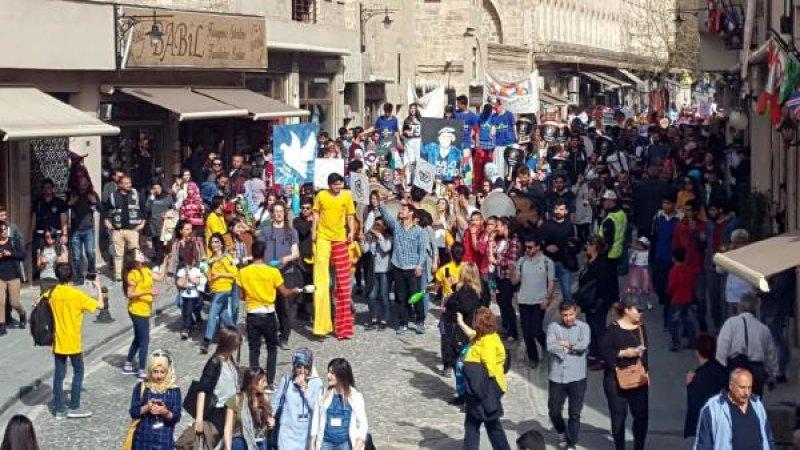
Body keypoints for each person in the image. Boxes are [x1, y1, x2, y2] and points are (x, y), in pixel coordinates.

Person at [237, 240, 302, 388]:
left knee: (254, 349)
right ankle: (270, 381)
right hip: (268, 315)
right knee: (272, 348)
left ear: (252, 253)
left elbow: (241, 296)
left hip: (252, 315)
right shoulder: (273, 272)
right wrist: (295, 290)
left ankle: (254, 380)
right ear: (264, 253)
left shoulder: (243, 272)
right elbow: (284, 292)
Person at [49, 262, 103, 419]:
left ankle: (59, 409)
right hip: (73, 341)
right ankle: (74, 406)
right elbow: (100, 305)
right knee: (78, 371)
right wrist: (98, 287)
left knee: (59, 375)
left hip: (58, 341)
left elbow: (38, 301)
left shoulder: (53, 293)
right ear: (71, 275)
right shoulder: (77, 295)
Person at [456, 307, 512, 450]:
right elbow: (473, 335)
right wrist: (461, 322)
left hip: (484, 388)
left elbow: (490, 369)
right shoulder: (485, 336)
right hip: (484, 389)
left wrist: (478, 389)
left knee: (476, 424)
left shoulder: (488, 342)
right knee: (487, 423)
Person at [600, 298, 649, 450]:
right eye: (638, 310)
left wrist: (647, 372)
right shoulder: (612, 330)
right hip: (615, 379)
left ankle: (638, 447)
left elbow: (646, 353)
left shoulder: (641, 328)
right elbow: (604, 352)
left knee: (641, 416)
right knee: (618, 417)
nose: (641, 313)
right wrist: (623, 353)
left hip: (637, 377)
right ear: (627, 310)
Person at [312, 173, 356, 340]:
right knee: (321, 282)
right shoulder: (321, 195)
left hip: (340, 238)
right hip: (323, 237)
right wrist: (313, 231)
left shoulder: (346, 195)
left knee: (344, 284)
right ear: (329, 184)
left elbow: (350, 215)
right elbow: (316, 214)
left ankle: (344, 328)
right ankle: (321, 326)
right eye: (335, 185)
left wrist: (351, 231)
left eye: (340, 184)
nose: (338, 187)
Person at [694, 367, 775, 450]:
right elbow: (703, 445)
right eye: (742, 387)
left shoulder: (757, 405)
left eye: (749, 387)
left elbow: (768, 438)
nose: (746, 392)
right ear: (731, 386)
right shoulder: (713, 408)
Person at [546, 301, 590, 450]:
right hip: (557, 377)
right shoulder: (553, 327)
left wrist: (566, 345)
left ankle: (571, 443)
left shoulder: (584, 327)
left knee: (575, 413)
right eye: (565, 315)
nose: (568, 318)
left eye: (571, 314)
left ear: (576, 312)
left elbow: (583, 345)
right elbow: (551, 346)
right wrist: (570, 349)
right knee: (554, 410)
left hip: (577, 377)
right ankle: (561, 431)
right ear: (560, 314)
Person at [716, 293, 778, 397]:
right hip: (757, 371)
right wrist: (773, 375)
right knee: (754, 403)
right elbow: (771, 355)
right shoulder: (763, 328)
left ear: (740, 308)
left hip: (736, 368)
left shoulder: (731, 323)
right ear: (756, 309)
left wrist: (720, 369)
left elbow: (722, 348)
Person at [379, 201, 427, 334]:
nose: (401, 211)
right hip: (398, 266)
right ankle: (403, 323)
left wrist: (419, 265)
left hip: (413, 268)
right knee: (401, 297)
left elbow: (422, 250)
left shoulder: (419, 231)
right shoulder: (396, 227)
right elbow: (386, 216)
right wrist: (381, 203)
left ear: (411, 213)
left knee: (416, 296)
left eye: (404, 209)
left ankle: (420, 321)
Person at [260, 201, 301, 350]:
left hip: (286, 272)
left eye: (281, 211)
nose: (278, 214)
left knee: (285, 306)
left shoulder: (291, 231)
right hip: (269, 272)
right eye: (276, 211)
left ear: (284, 213)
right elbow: (259, 250)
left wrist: (287, 258)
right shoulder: (265, 231)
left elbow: (296, 252)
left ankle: (284, 336)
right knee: (270, 305)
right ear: (272, 213)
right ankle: (270, 333)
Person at [511, 235, 555, 368]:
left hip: (538, 302)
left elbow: (551, 283)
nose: (527, 250)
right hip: (524, 301)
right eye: (526, 247)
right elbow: (515, 281)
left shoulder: (547, 262)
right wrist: (513, 270)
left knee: (536, 330)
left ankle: (548, 346)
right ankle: (533, 357)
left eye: (530, 247)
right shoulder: (521, 261)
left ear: (538, 247)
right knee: (526, 332)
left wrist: (547, 298)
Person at [309, 358, 369, 450]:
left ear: (342, 375)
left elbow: (363, 424)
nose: (328, 375)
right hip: (325, 443)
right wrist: (312, 444)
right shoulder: (322, 393)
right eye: (328, 372)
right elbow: (315, 420)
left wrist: (358, 446)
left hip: (345, 444)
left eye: (332, 373)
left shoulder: (355, 396)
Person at [271, 348, 324, 450]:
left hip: (306, 434)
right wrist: (270, 417)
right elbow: (275, 403)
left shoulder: (317, 383)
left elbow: (318, 408)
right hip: (287, 433)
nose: (302, 371)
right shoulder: (286, 381)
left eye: (306, 367)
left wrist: (305, 389)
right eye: (299, 367)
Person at [577, 235, 616, 370]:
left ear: (594, 247)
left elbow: (605, 286)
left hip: (598, 304)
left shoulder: (603, 264)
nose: (586, 247)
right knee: (592, 329)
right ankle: (593, 354)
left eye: (588, 244)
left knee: (599, 330)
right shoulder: (591, 260)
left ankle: (605, 358)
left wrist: (599, 304)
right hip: (589, 303)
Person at [128, 350, 182, 450]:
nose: (159, 376)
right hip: (142, 442)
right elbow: (133, 412)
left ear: (168, 371)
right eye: (155, 372)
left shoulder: (174, 390)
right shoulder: (142, 387)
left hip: (163, 442)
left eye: (162, 372)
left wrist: (165, 412)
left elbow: (177, 416)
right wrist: (146, 407)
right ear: (150, 371)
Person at [122, 249, 163, 379]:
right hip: (137, 310)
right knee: (145, 340)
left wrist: (166, 260)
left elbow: (160, 277)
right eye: (138, 253)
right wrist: (147, 292)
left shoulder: (145, 269)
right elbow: (130, 294)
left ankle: (128, 364)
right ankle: (141, 370)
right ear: (133, 259)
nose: (142, 254)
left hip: (146, 309)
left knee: (139, 338)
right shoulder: (132, 274)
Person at [195, 326, 242, 438]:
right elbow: (202, 390)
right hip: (219, 411)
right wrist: (199, 419)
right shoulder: (214, 362)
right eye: (237, 340)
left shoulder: (230, 358)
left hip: (232, 409)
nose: (239, 342)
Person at [441, 262, 482, 380]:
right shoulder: (479, 288)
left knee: (460, 362)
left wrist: (451, 307)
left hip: (463, 330)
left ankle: (464, 393)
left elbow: (465, 306)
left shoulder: (466, 290)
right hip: (473, 329)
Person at [672, 199, 708, 332]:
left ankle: (701, 321)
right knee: (685, 298)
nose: (687, 213)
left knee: (700, 298)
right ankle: (687, 327)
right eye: (686, 210)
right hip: (684, 267)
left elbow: (705, 246)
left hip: (698, 266)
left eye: (690, 210)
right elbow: (676, 244)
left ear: (696, 212)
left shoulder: (703, 226)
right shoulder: (680, 226)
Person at [685, 334, 728, 438]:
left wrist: (689, 385)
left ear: (698, 352)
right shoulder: (723, 371)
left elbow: (694, 404)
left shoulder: (698, 376)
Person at [202, 233, 239, 354]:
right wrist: (204, 270)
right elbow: (210, 277)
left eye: (217, 242)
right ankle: (237, 335)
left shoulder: (226, 258)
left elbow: (234, 273)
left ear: (222, 244)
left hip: (223, 290)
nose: (214, 244)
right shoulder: (211, 259)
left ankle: (206, 342)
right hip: (215, 290)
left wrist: (220, 275)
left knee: (212, 314)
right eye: (212, 242)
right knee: (224, 315)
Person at [103, 175, 145, 281]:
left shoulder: (137, 194)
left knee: (135, 252)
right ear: (120, 185)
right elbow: (105, 208)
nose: (129, 185)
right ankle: (118, 276)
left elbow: (144, 209)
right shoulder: (113, 196)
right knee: (118, 254)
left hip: (133, 230)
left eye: (130, 183)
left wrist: (143, 223)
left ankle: (136, 272)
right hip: (118, 230)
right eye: (126, 183)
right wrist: (106, 220)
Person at [222, 367, 272, 450]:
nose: (266, 384)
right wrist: (227, 448)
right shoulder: (237, 399)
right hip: (240, 443)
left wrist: (270, 422)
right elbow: (228, 428)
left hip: (261, 443)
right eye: (263, 381)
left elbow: (265, 424)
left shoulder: (264, 398)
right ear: (253, 383)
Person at [539, 199, 578, 301]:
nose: (558, 211)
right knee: (544, 293)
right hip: (548, 263)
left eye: (561, 209)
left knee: (567, 293)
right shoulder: (546, 225)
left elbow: (574, 244)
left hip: (563, 263)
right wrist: (546, 247)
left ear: (566, 211)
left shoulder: (570, 226)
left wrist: (570, 246)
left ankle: (568, 313)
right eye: (556, 209)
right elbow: (538, 240)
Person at [651, 195, 680, 329]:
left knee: (670, 290)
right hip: (658, 256)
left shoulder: (678, 219)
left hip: (672, 258)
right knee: (658, 284)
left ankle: (669, 320)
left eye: (668, 203)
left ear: (674, 204)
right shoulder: (658, 218)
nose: (665, 206)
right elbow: (654, 236)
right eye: (663, 203)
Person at [31, 178, 68, 277]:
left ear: (53, 189)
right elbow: (33, 218)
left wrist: (64, 234)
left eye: (49, 187)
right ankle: (42, 275)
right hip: (40, 235)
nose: (47, 189)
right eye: (45, 188)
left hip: (55, 235)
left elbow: (63, 219)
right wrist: (31, 232)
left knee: (58, 254)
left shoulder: (59, 202)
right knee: (41, 255)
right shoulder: (37, 202)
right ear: (42, 189)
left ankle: (59, 275)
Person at [68, 175, 98, 285]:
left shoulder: (92, 194)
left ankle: (91, 271)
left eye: (85, 184)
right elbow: (65, 207)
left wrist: (94, 202)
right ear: (77, 184)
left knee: (90, 252)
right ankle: (79, 277)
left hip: (88, 229)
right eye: (81, 184)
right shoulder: (73, 194)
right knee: (76, 256)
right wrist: (71, 202)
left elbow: (99, 208)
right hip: (76, 229)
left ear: (88, 184)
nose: (83, 186)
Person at [492, 219, 519, 341]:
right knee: (502, 302)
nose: (496, 228)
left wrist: (498, 262)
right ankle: (507, 328)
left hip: (509, 277)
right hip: (500, 276)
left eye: (498, 226)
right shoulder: (503, 241)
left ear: (505, 226)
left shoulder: (513, 241)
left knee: (507, 303)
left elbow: (513, 260)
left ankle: (513, 331)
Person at [364, 217, 392, 330]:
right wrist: (364, 240)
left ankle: (385, 319)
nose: (376, 226)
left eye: (379, 225)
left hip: (385, 271)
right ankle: (374, 319)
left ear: (384, 227)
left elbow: (386, 248)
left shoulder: (388, 238)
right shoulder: (372, 238)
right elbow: (365, 250)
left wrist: (379, 236)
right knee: (372, 296)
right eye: (375, 224)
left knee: (384, 296)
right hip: (373, 271)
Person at [668, 247, 698, 352]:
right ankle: (692, 341)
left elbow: (672, 285)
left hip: (677, 299)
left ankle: (676, 343)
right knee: (689, 321)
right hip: (688, 298)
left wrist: (669, 293)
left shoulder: (674, 271)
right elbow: (692, 283)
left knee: (675, 322)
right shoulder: (688, 270)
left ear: (674, 258)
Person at [0, 222, 26, 335]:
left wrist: (11, 254)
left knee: (14, 302)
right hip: (0, 277)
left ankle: (22, 314)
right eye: (1, 230)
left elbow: (22, 255)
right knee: (0, 301)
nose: (4, 232)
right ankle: (2, 325)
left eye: (5, 229)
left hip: (13, 276)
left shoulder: (13, 242)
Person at [145, 181, 174, 269]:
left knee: (162, 243)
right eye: (154, 188)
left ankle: (160, 262)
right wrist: (151, 198)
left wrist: (167, 213)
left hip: (164, 224)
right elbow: (147, 209)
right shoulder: (151, 198)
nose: (156, 190)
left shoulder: (168, 197)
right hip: (153, 224)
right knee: (155, 243)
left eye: (158, 188)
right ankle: (159, 259)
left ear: (161, 187)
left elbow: (173, 208)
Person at [36, 229, 67, 294]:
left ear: (55, 237)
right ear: (44, 237)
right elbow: (39, 267)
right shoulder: (41, 249)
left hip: (57, 278)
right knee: (45, 300)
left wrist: (60, 261)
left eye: (52, 236)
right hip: (45, 278)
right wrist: (43, 263)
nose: (50, 238)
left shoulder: (61, 248)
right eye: (47, 237)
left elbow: (66, 267)